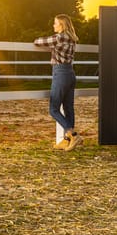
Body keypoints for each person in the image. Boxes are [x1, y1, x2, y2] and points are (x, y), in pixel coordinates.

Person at [34, 14, 84, 151]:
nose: (53, 25)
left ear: (61, 25)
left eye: (55, 23)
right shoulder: (73, 39)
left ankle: (72, 134)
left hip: (60, 73)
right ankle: (67, 140)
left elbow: (38, 42)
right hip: (70, 73)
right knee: (68, 108)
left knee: (53, 108)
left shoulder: (59, 37)